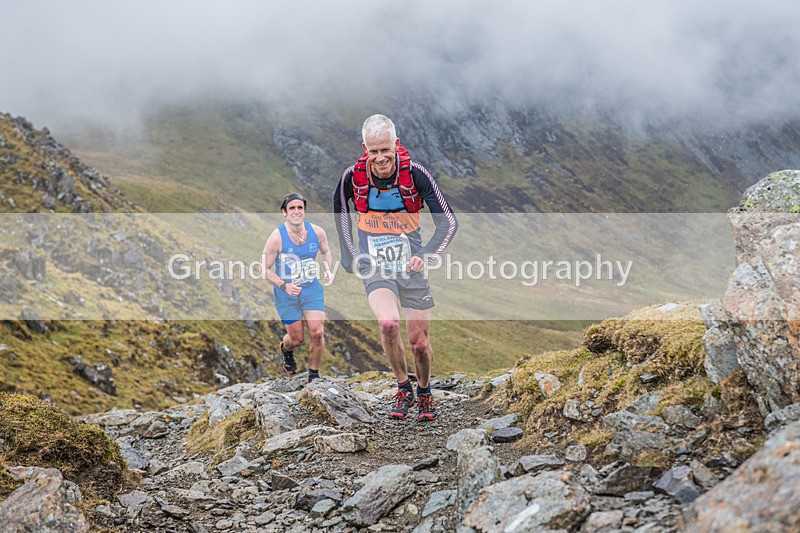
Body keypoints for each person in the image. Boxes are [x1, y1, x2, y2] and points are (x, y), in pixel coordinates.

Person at [333, 114, 458, 421]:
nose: (379, 158)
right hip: (376, 266)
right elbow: (340, 214)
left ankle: (425, 390)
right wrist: (353, 256)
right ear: (365, 149)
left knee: (419, 343)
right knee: (388, 324)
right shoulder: (352, 176)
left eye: (384, 150)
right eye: (373, 151)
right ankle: (403, 386)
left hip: (412, 266)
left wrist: (426, 254)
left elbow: (449, 222)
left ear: (396, 145)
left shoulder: (416, 174)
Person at [262, 193, 332, 382]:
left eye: (300, 208)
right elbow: (265, 269)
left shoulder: (317, 232)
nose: (296, 211)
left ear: (304, 210)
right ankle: (286, 349)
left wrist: (327, 269)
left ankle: (314, 375)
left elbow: (325, 252)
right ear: (284, 212)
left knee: (317, 332)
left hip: (311, 288)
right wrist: (284, 285)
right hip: (287, 294)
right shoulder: (277, 238)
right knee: (297, 339)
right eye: (292, 208)